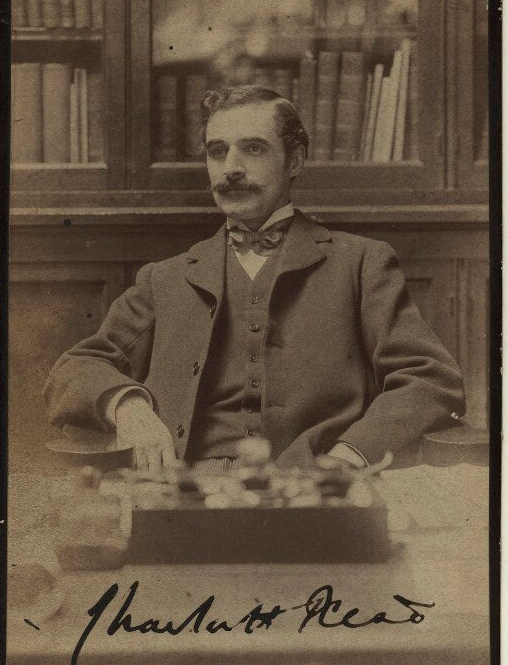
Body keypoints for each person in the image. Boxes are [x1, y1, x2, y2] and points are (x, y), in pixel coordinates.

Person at [44, 85, 465, 473]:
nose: (231, 168)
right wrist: (130, 408)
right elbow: (76, 367)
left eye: (253, 148)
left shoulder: (361, 263)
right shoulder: (165, 279)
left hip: (311, 486)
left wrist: (351, 455)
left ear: (294, 161)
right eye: (217, 151)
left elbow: (431, 379)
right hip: (184, 487)